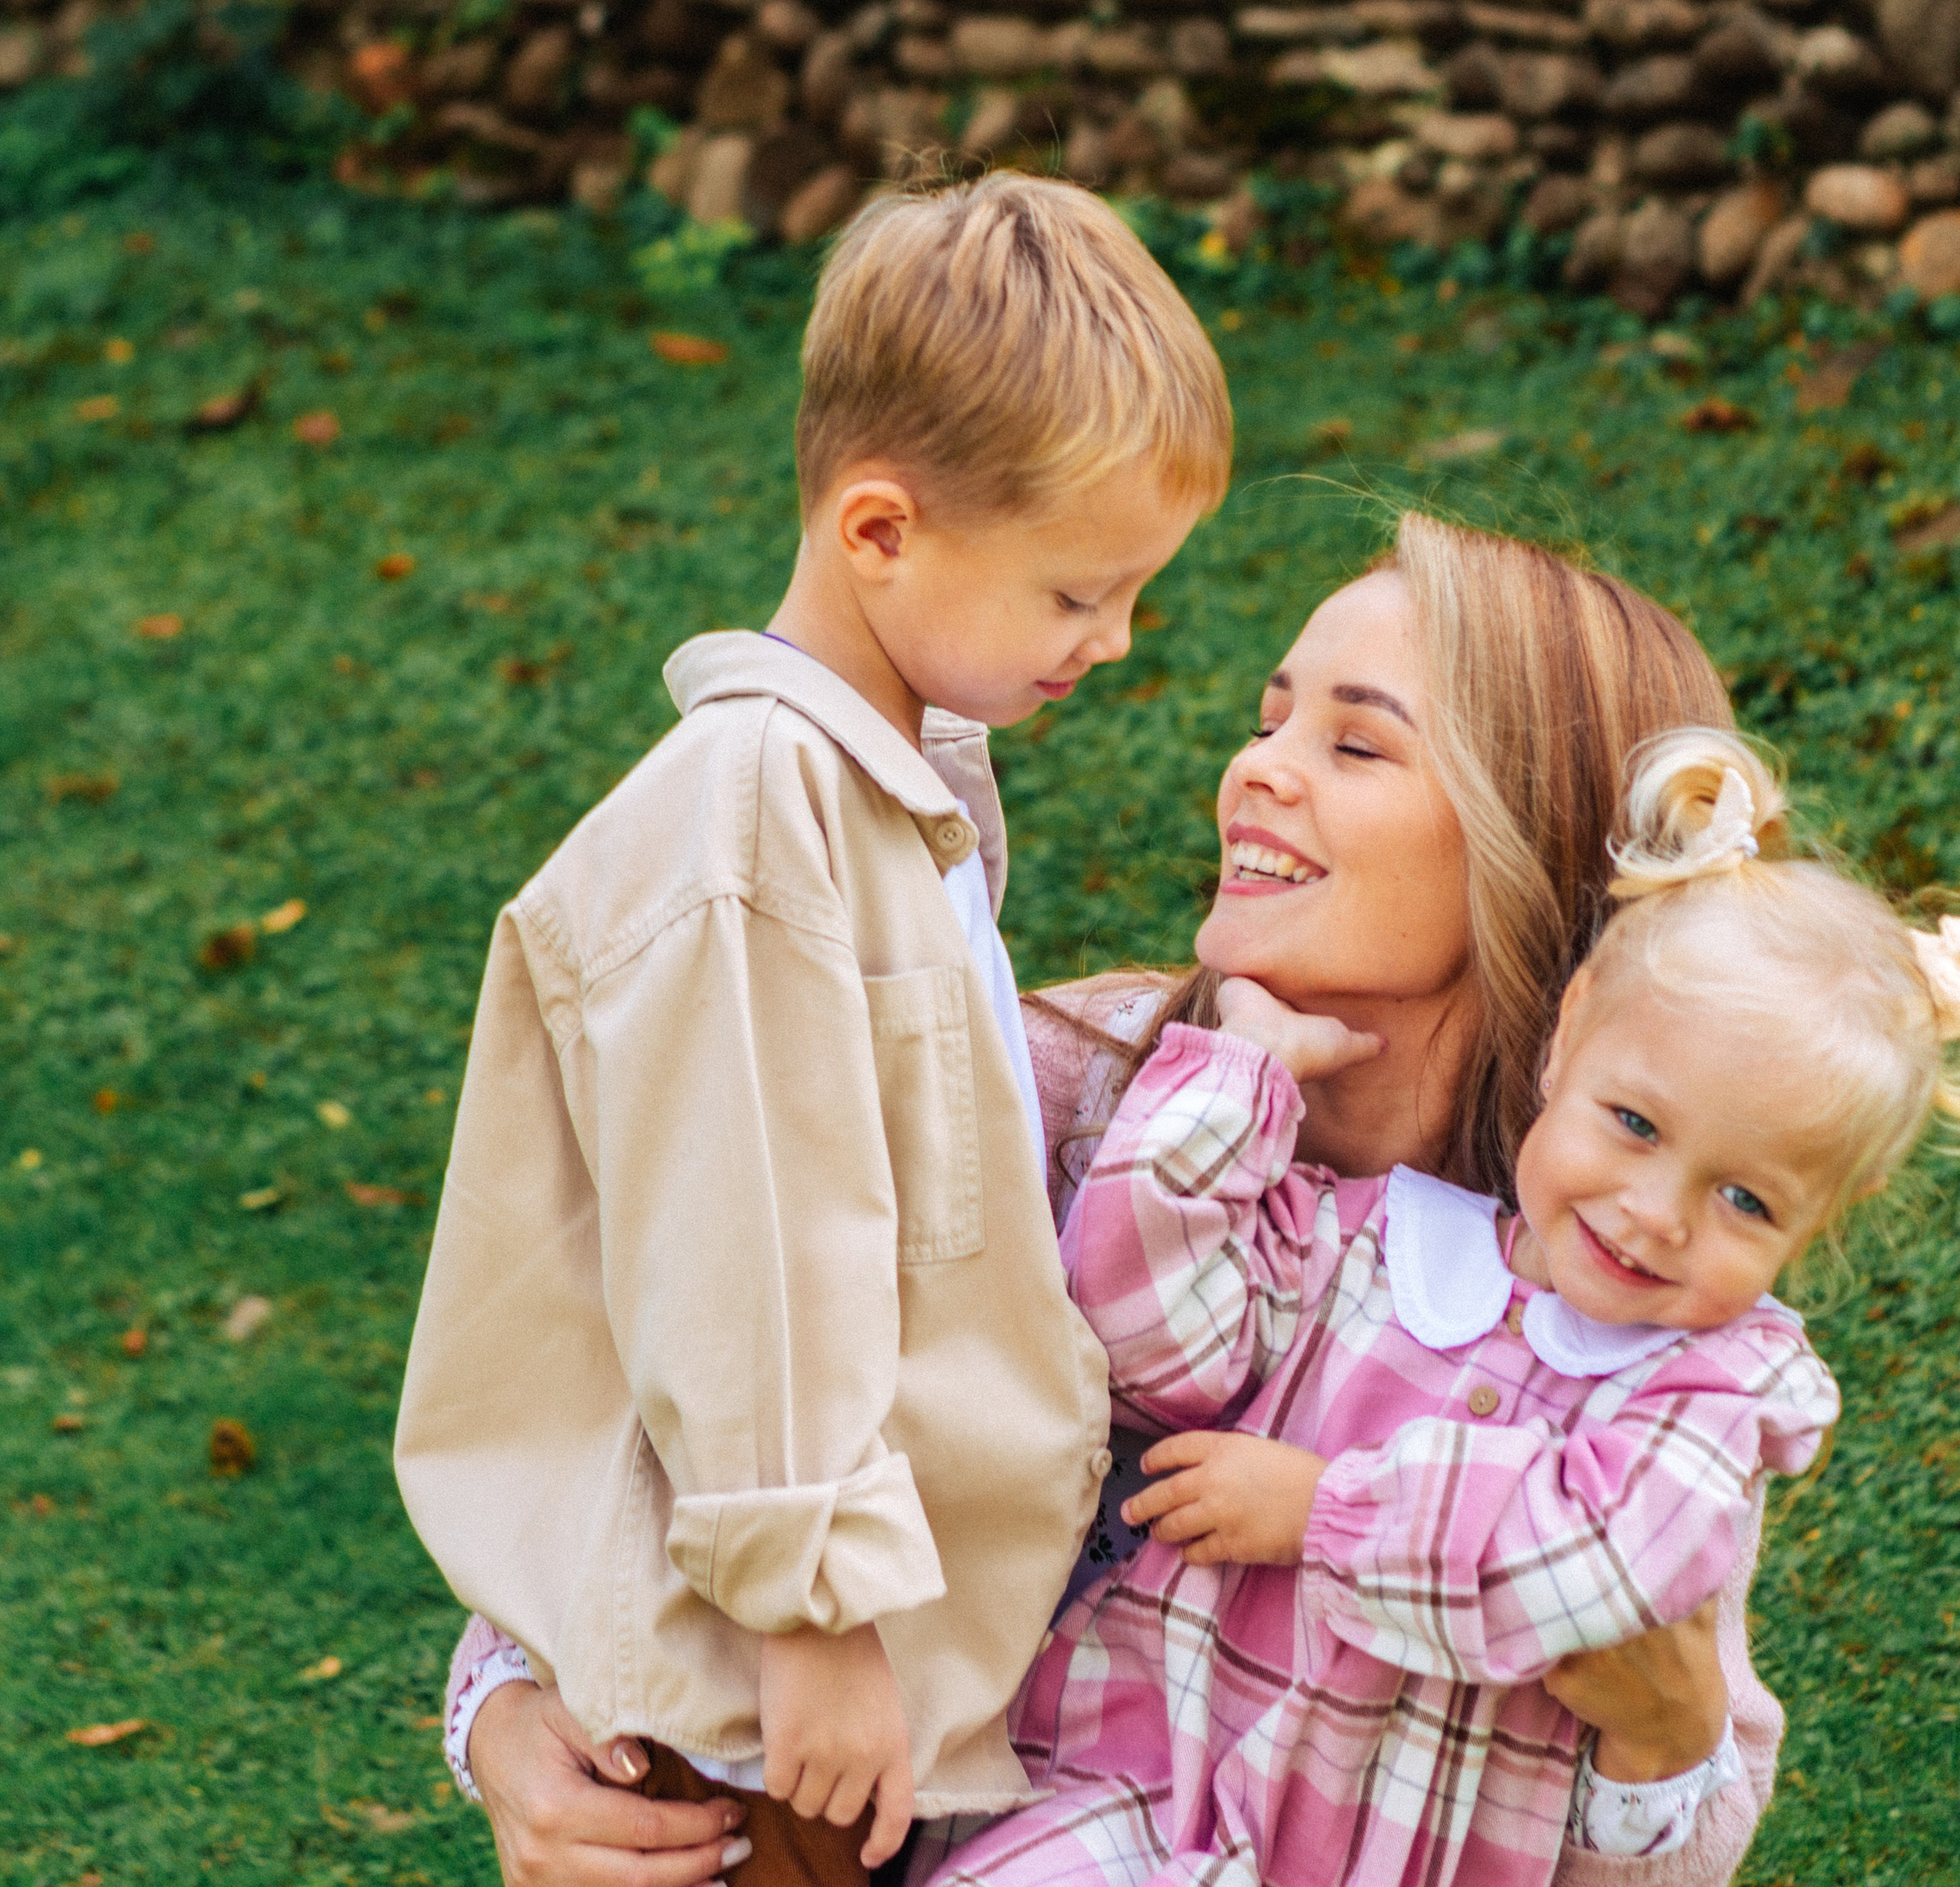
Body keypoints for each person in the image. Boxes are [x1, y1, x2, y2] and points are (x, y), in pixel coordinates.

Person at [443, 517, 1783, 1887]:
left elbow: (1670, 1810)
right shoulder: (1054, 1085)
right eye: (1270, 722)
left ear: (1526, 846)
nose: (1258, 772)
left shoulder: (1624, 1271)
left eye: (1356, 744)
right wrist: (501, 1712)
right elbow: (696, 1355)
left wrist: (1667, 1736)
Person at [395, 174, 1234, 1887]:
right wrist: (812, 1614)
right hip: (745, 1707)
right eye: (1076, 592)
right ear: (878, 532)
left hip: (807, 1673)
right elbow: (749, 1242)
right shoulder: (754, 820)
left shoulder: (869, 801)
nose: (1115, 638)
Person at [928, 725, 1960, 1887]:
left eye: (1746, 1198)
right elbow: (1146, 1338)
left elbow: (1596, 1568)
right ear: (1569, 1038)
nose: (1656, 1214)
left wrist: (1326, 1512)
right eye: (1635, 1125)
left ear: (1828, 1212)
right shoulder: (1373, 1242)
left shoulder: (1713, 1391)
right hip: (1135, 1800)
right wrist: (1236, 1077)